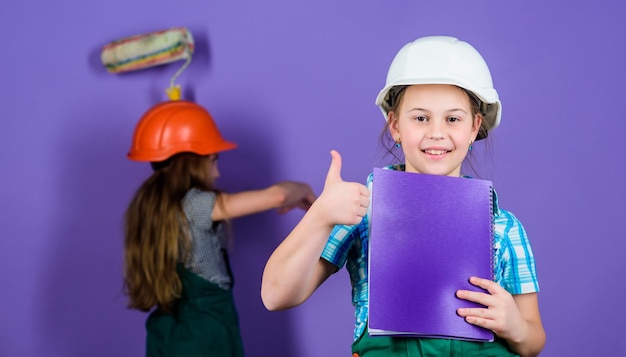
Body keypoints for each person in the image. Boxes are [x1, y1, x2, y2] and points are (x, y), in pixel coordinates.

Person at [261, 36, 546, 357]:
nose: (436, 132)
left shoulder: (504, 227)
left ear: (474, 127)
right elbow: (275, 296)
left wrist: (516, 326)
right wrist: (320, 216)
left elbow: (534, 339)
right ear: (395, 125)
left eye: (453, 118)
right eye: (420, 117)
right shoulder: (362, 212)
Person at [123, 99, 316, 357]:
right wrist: (304, 190)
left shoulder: (145, 206)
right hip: (205, 334)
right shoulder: (195, 204)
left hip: (165, 333)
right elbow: (278, 196)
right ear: (190, 161)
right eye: (213, 160)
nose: (216, 173)